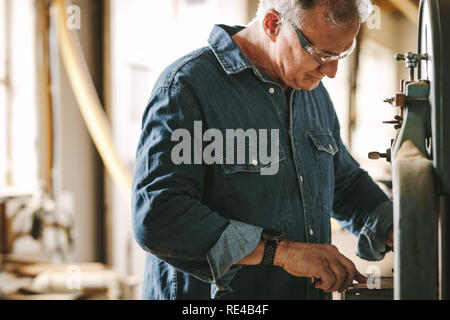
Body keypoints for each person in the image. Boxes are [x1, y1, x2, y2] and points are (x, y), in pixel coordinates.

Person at [131, 0, 394, 300]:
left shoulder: (313, 93)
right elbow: (160, 217)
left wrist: (398, 226)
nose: (331, 71)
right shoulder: (188, 89)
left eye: (341, 54)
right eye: (321, 54)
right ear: (272, 24)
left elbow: (344, 183)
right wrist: (282, 253)